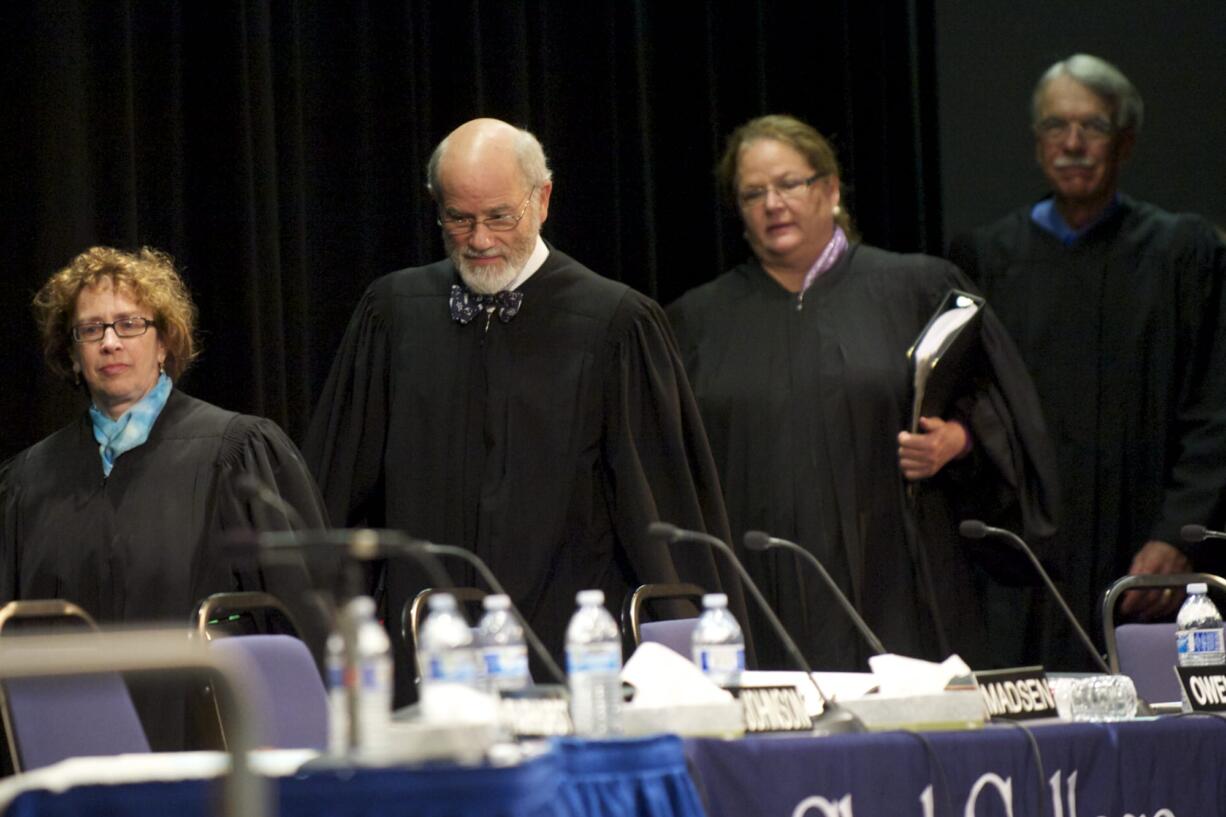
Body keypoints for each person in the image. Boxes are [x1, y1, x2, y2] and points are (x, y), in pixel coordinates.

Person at [304, 118, 744, 704]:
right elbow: (336, 498)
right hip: (423, 658)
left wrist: (695, 676)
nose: (480, 240)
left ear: (543, 199)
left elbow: (661, 514)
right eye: (459, 219)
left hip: (570, 658)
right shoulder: (395, 315)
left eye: (498, 217)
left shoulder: (613, 324)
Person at [667, 115, 1058, 671]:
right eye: (753, 192)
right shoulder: (697, 323)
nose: (772, 203)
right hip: (760, 595)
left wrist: (960, 441)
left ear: (829, 189)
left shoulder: (919, 289)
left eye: (788, 184)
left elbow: (1008, 420)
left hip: (900, 590)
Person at [949, 54, 1226, 669]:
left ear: (1124, 142)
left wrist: (1180, 533)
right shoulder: (988, 258)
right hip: (1027, 564)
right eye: (1055, 126)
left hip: (1145, 558)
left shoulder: (1183, 254)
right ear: (1036, 141)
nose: (1072, 144)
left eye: (1093, 127)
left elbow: (1217, 407)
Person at [0, 246, 328, 750]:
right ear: (72, 353)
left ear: (164, 343)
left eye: (129, 324)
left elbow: (300, 625)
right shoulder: (29, 482)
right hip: (68, 756)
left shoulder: (236, 452)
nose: (110, 342)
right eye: (91, 329)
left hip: (207, 753)